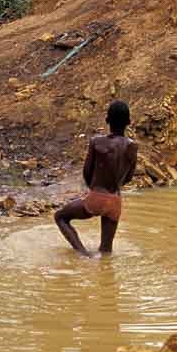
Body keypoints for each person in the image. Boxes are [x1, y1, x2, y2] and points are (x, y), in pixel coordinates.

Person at [54, 101, 138, 256]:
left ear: (107, 120)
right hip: (115, 201)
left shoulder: (97, 142)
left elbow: (87, 171)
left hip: (97, 196)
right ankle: (104, 274)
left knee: (60, 217)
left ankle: (83, 254)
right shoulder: (132, 146)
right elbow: (129, 177)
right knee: (106, 251)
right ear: (129, 122)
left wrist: (93, 191)